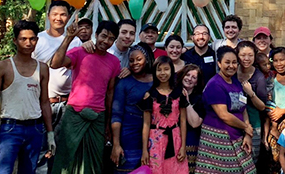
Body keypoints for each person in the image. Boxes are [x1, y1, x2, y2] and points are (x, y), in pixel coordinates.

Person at [50, 19, 121, 174]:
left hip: (98, 118)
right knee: (66, 160)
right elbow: (54, 64)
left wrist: (108, 122)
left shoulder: (114, 62)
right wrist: (68, 37)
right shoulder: (81, 52)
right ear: (96, 35)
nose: (106, 41)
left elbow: (109, 93)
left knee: (93, 163)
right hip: (74, 114)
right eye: (103, 36)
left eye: (111, 39)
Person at [0, 20, 55, 174]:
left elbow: (44, 102)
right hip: (11, 128)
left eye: (32, 39)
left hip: (35, 129)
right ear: (15, 40)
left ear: (37, 40)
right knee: (4, 170)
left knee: (29, 171)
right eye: (23, 39)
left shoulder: (42, 68)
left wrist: (50, 134)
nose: (28, 43)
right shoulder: (2, 67)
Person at [31, 1, 82, 174]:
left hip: (66, 104)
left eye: (62, 15)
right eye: (55, 14)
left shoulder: (76, 43)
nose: (58, 18)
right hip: (41, 103)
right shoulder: (37, 39)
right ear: (48, 16)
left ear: (68, 18)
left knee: (61, 150)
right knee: (40, 148)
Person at [195, 46, 256, 174]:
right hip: (219, 138)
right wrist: (245, 127)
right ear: (219, 63)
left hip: (237, 135)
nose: (231, 66)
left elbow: (243, 108)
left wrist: (247, 133)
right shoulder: (215, 84)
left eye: (234, 62)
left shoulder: (235, 82)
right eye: (227, 62)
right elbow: (224, 115)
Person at [140, 57, 189, 174]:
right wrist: (144, 151)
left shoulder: (179, 93)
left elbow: (183, 121)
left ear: (172, 71)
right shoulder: (149, 95)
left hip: (176, 138)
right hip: (156, 141)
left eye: (166, 69)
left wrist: (183, 147)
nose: (163, 73)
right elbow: (146, 124)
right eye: (159, 70)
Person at [111, 44, 154, 174]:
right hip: (129, 137)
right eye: (131, 60)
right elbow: (116, 114)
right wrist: (116, 144)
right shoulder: (124, 82)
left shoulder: (158, 80)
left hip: (154, 137)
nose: (135, 63)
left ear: (146, 59)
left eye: (139, 59)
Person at [236, 41, 268, 165]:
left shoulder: (258, 77)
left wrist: (251, 93)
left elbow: (262, 106)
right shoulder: (232, 71)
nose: (246, 59)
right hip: (233, 123)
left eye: (250, 55)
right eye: (243, 55)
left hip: (253, 125)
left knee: (250, 162)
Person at [266, 46, 285, 172]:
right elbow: (267, 102)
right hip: (274, 125)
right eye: (275, 61)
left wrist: (284, 110)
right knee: (275, 161)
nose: (278, 64)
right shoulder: (270, 80)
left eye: (282, 60)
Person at [178, 65, 205, 174]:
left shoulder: (200, 99)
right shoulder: (173, 93)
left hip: (192, 142)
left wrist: (186, 102)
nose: (189, 79)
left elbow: (195, 123)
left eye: (194, 77)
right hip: (173, 140)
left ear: (197, 82)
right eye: (187, 75)